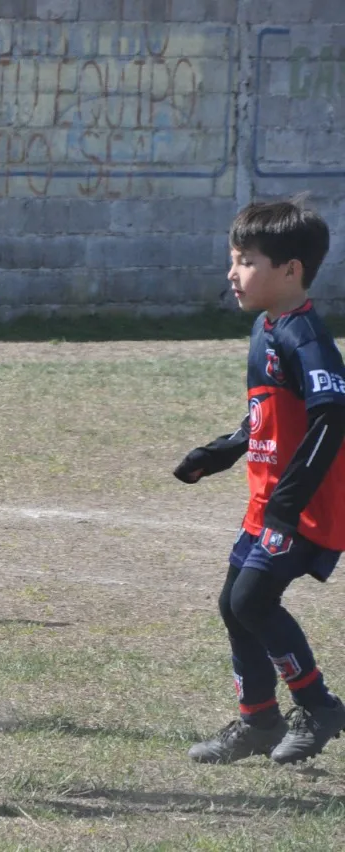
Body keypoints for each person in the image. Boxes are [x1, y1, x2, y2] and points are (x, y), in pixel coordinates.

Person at [175, 197, 345, 766]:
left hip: (303, 507)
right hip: (266, 501)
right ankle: (258, 722)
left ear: (291, 269)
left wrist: (289, 504)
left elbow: (333, 414)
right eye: (233, 258)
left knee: (253, 599)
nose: (232, 272)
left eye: (246, 260)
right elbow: (267, 415)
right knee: (233, 603)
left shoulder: (306, 336)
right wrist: (222, 451)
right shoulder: (265, 328)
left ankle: (319, 708)